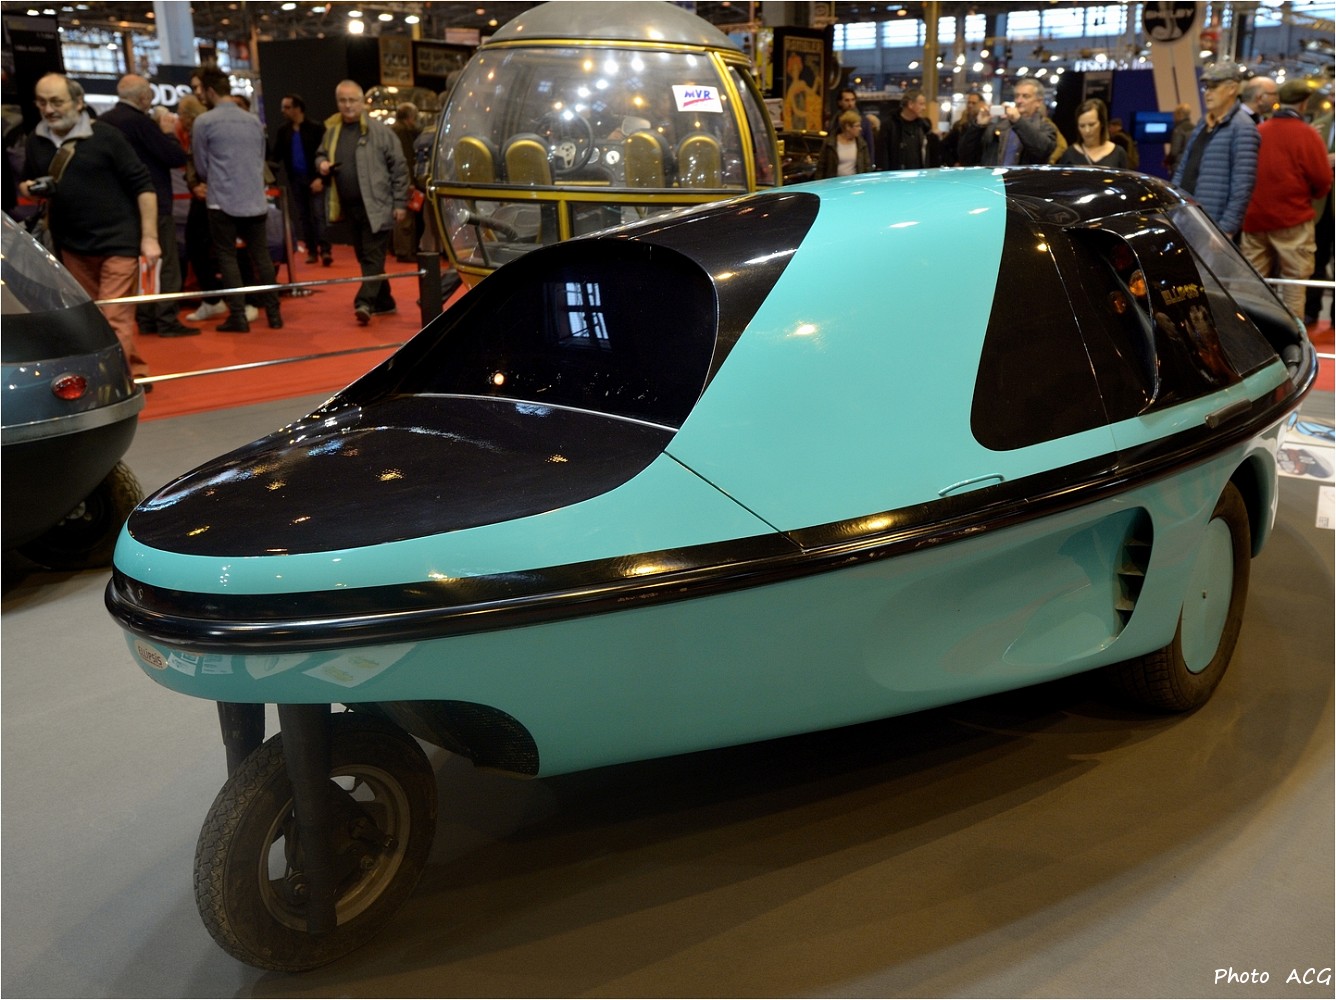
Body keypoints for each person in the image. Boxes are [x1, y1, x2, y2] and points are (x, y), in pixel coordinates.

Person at [19, 73, 159, 380]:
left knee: (114, 316)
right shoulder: (36, 141)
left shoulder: (107, 136)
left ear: (78, 102)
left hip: (118, 242)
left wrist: (150, 238)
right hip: (72, 245)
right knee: (94, 317)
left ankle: (112, 382)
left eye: (56, 101)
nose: (49, 109)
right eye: (42, 102)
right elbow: (25, 182)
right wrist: (29, 188)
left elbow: (144, 187)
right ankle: (133, 368)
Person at [100, 73, 197, 338]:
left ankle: (145, 318)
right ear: (144, 97)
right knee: (164, 263)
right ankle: (166, 319)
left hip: (121, 206)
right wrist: (168, 133)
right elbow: (174, 156)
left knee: (137, 264)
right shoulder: (141, 123)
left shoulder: (105, 121)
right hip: (154, 204)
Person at [192, 66, 282, 332]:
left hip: (222, 200)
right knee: (261, 256)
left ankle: (239, 316)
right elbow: (260, 158)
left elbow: (201, 166)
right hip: (254, 199)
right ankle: (274, 315)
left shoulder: (204, 122)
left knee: (227, 257)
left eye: (200, 90)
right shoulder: (252, 120)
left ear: (210, 91)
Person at [316, 79, 409, 326]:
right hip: (350, 207)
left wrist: (400, 203)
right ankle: (385, 301)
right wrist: (321, 163)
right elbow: (320, 154)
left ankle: (364, 302)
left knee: (371, 255)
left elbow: (399, 169)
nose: (347, 105)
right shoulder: (332, 131)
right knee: (365, 256)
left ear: (362, 102)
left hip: (379, 205)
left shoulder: (381, 133)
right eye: (342, 101)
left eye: (352, 100)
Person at [1240, 79, 1332, 318]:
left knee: (1255, 284)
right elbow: (1322, 179)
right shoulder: (1308, 134)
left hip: (1255, 219)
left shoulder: (1258, 131)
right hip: (1293, 219)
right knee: (1294, 283)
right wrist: (1313, 195)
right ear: (1303, 104)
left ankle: (1258, 334)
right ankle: (1293, 335)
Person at [1171, 64, 1260, 240]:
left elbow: (1243, 184)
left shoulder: (1243, 127)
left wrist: (1226, 228)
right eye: (1206, 87)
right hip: (1187, 217)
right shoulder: (1203, 124)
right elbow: (1183, 168)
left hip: (1213, 225)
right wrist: (1172, 206)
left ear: (1232, 89)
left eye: (1214, 86)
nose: (1207, 93)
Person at [270, 93, 331, 266]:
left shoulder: (316, 128)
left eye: (287, 107)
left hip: (315, 178)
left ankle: (325, 250)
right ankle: (312, 251)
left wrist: (321, 178)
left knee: (319, 215)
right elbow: (276, 155)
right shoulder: (283, 131)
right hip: (296, 180)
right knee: (304, 216)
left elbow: (325, 155)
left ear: (298, 108)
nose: (283, 111)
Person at [959, 79, 1057, 167]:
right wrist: (978, 126)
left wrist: (1018, 121)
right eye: (1017, 96)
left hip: (1025, 180)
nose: (1019, 100)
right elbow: (966, 156)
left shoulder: (1046, 127)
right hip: (996, 179)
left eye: (1025, 96)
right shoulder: (999, 127)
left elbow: (1042, 150)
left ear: (1038, 102)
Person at [390, 101, 422, 262]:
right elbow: (407, 158)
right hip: (403, 179)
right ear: (410, 117)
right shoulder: (403, 132)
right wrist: (410, 181)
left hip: (392, 178)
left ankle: (399, 249)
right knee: (405, 218)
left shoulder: (391, 130)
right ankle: (404, 251)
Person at [881, 88, 941, 170]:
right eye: (921, 104)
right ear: (910, 104)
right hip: (896, 174)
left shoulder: (923, 126)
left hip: (920, 174)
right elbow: (883, 155)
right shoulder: (890, 125)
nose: (924, 108)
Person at [1058, 98, 1129, 168]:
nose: (1087, 130)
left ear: (1102, 123)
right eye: (1082, 126)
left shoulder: (1118, 153)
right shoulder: (1069, 154)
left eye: (1091, 125)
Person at [827, 87, 878, 169]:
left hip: (857, 165)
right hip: (836, 165)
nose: (850, 103)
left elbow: (870, 146)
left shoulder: (864, 122)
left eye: (852, 100)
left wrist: (870, 166)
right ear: (840, 102)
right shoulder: (835, 121)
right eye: (847, 100)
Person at [817, 110, 871, 178]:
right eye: (857, 126)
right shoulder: (830, 143)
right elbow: (821, 167)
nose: (860, 129)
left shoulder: (862, 144)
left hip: (855, 181)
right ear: (847, 127)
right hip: (834, 182)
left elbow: (867, 167)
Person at [940, 90, 986, 166]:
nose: (970, 105)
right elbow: (943, 146)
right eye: (969, 103)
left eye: (974, 103)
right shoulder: (960, 125)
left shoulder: (986, 126)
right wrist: (953, 163)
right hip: (963, 165)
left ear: (981, 104)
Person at [1164, 103, 1195, 173]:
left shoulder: (1178, 130)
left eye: (1174, 114)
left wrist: (1167, 161)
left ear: (1179, 114)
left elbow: (1174, 152)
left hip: (1179, 167)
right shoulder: (1194, 128)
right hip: (1191, 165)